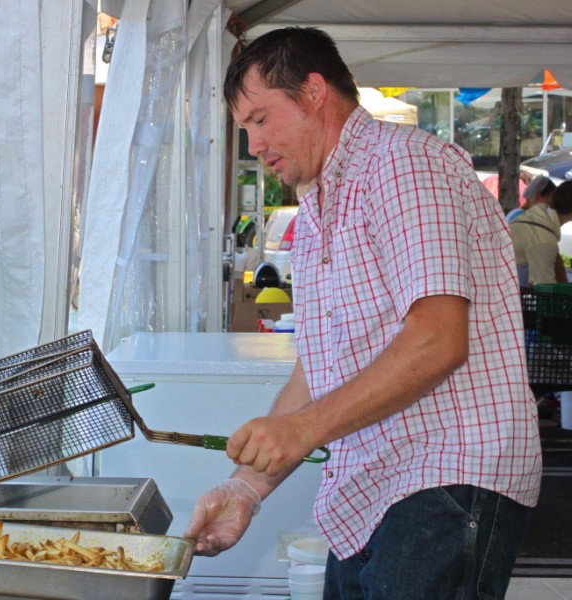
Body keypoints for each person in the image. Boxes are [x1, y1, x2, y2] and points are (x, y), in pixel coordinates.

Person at [184, 27, 542, 599]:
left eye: (259, 119)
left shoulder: (403, 165)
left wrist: (299, 431)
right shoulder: (320, 201)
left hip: (445, 475)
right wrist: (246, 488)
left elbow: (437, 339)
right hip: (373, 486)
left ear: (313, 92)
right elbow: (322, 365)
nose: (253, 144)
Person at [510, 177, 568, 287]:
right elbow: (545, 286)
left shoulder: (530, 218)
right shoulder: (542, 235)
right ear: (537, 196)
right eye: (549, 199)